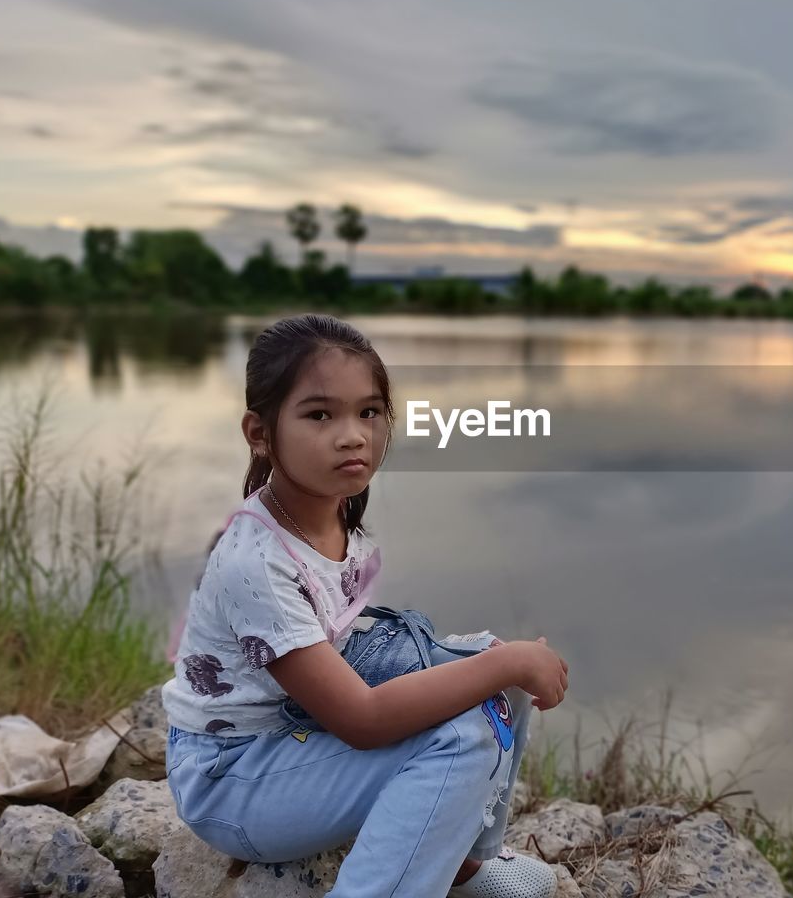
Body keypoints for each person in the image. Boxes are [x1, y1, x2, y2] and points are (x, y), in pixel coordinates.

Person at [161, 313, 569, 898]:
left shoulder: (330, 510)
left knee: (485, 667)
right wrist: (505, 668)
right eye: (320, 415)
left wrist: (495, 664)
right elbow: (361, 721)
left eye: (369, 412)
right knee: (470, 725)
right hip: (233, 780)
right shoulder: (256, 563)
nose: (352, 435)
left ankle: (460, 866)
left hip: (293, 731)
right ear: (259, 432)